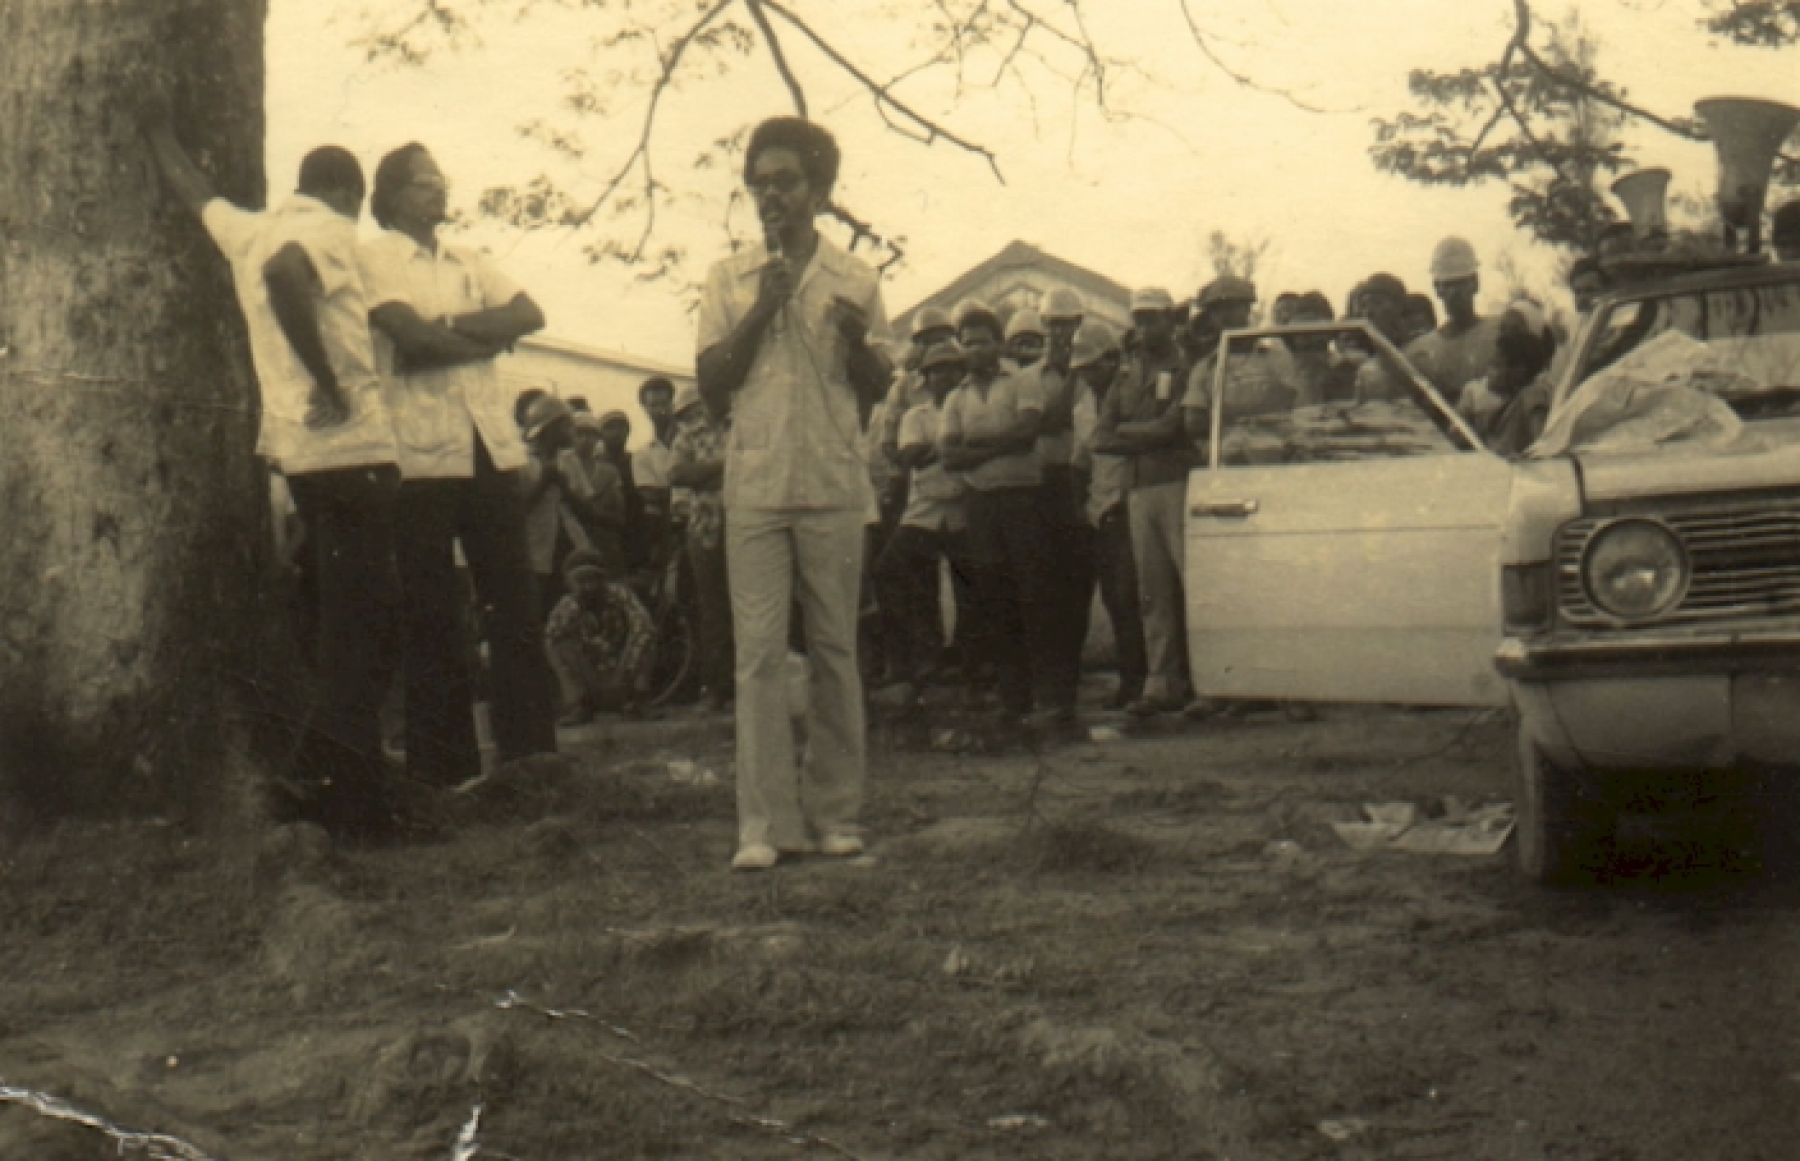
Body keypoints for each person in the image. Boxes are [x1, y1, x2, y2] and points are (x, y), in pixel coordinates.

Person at [146, 119, 404, 836]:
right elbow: (287, 274)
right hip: (351, 451)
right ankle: (352, 802)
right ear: (347, 192)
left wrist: (155, 130)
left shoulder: (251, 229)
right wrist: (331, 379)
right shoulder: (326, 231)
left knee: (338, 629)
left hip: (304, 460)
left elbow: (199, 196)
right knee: (366, 634)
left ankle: (336, 786)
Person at [696, 116, 892, 872]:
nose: (770, 195)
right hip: (756, 482)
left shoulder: (857, 280)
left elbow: (878, 387)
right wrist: (762, 308)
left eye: (786, 181)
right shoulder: (729, 277)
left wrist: (852, 343)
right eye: (759, 182)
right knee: (759, 657)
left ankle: (837, 813)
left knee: (837, 649)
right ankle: (765, 823)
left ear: (820, 190)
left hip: (834, 481)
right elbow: (713, 385)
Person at [360, 142, 557, 788]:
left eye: (440, 179)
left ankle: (531, 754)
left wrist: (446, 328)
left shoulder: (470, 260)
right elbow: (405, 337)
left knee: (514, 599)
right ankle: (442, 769)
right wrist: (483, 339)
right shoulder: (376, 256)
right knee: (432, 610)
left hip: (488, 443)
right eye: (423, 183)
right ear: (391, 196)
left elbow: (530, 313)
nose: (438, 191)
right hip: (418, 451)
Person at [939, 300, 1068, 729]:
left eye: (984, 341)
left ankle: (1052, 699)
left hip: (1023, 500)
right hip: (981, 506)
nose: (976, 350)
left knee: (1037, 595)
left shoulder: (1023, 381)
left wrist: (977, 451)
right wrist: (996, 446)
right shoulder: (956, 397)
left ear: (999, 343)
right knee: (996, 599)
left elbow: (1027, 435)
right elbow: (949, 457)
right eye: (968, 343)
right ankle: (1015, 701)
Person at [1090, 287, 1195, 717]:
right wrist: (1143, 431)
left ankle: (1202, 678)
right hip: (1138, 489)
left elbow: (1175, 427)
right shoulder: (1127, 373)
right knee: (1152, 591)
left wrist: (1130, 433)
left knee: (1190, 583)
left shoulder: (1185, 365)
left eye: (1154, 318)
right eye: (1140, 318)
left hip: (1177, 484)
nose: (1146, 326)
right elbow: (1100, 435)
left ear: (1171, 319)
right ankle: (1161, 681)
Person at [874, 338, 977, 708]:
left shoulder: (971, 406)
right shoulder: (915, 415)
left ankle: (969, 662)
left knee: (975, 585)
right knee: (892, 571)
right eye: (937, 370)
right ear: (926, 378)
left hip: (965, 507)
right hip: (924, 510)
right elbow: (912, 457)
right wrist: (955, 450)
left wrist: (951, 452)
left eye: (952, 368)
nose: (945, 376)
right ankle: (918, 657)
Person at [1069, 322, 1147, 711]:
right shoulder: (1084, 407)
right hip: (1099, 508)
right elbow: (1081, 459)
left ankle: (1141, 681)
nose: (1088, 375)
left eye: (1094, 367)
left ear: (1113, 360)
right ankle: (1130, 680)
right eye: (1082, 369)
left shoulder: (1133, 393)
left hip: (1131, 502)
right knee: (1114, 599)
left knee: (1130, 596)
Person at [668, 385, 735, 711]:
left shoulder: (741, 423)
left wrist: (704, 474)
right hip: (705, 527)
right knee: (713, 610)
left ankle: (749, 688)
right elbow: (678, 473)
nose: (696, 415)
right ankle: (717, 689)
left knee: (753, 604)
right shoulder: (687, 436)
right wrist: (725, 468)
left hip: (745, 523)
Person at [519, 393, 619, 611]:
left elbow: (587, 511)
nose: (570, 431)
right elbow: (514, 511)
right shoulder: (521, 462)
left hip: (571, 548)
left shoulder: (569, 461)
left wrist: (564, 489)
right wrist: (544, 483)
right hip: (535, 551)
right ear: (549, 428)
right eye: (565, 425)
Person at [544, 549, 657, 724]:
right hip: (591, 676)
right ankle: (579, 704)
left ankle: (638, 700)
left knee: (647, 634)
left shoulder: (621, 595)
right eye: (580, 580)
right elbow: (551, 637)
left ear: (603, 578)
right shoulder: (566, 606)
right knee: (555, 644)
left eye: (593, 578)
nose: (588, 586)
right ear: (569, 583)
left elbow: (643, 626)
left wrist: (626, 665)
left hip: (624, 672)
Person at [1404, 237, 1499, 409]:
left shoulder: (1498, 335)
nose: (1454, 292)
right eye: (1447, 285)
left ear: (1475, 283)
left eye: (1461, 283)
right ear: (1437, 289)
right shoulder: (1419, 351)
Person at [1464, 302, 1557, 457]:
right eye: (1503, 328)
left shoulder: (1537, 391)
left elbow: (1541, 443)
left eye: (1515, 329)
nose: (1506, 334)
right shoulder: (1481, 390)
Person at [630, 376, 679, 560]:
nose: (660, 410)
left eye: (664, 403)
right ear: (645, 409)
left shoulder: (691, 442)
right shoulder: (643, 454)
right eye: (653, 405)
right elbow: (650, 495)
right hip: (665, 528)